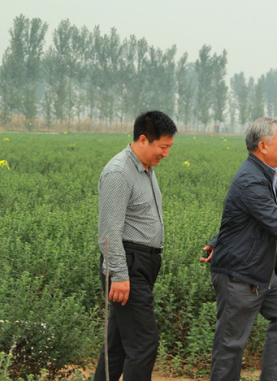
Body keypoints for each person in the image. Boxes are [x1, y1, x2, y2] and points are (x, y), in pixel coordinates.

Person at [201, 117, 277, 381]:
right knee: (230, 345)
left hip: (260, 273)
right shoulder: (251, 179)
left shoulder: (261, 174)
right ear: (263, 146)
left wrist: (218, 240)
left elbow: (240, 219)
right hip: (240, 275)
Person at [94, 110, 177, 381]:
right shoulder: (119, 172)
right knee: (143, 344)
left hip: (141, 264)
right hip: (127, 266)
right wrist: (118, 275)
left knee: (117, 345)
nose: (166, 153)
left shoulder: (145, 168)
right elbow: (109, 232)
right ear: (143, 140)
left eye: (169, 147)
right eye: (162, 147)